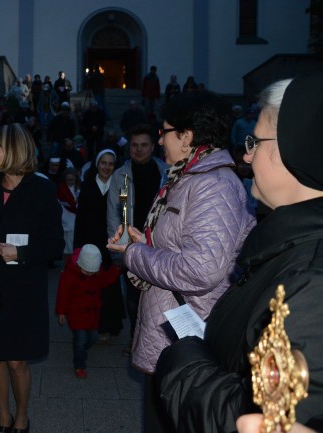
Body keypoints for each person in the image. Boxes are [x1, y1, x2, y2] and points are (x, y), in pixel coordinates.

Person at [155, 73, 323, 433]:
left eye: (254, 141)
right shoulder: (288, 242)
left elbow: (250, 416)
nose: (246, 153)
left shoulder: (312, 281)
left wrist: (185, 357)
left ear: (289, 148)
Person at [107, 90, 256, 433]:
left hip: (189, 341)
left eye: (165, 131)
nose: (159, 140)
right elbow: (182, 248)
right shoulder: (186, 175)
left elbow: (201, 269)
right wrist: (146, 242)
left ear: (187, 137)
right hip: (173, 337)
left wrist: (135, 254)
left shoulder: (212, 185)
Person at [0, 123, 64, 433]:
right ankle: (3, 417)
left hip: (23, 290)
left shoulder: (41, 190)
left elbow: (56, 244)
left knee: (17, 361)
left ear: (14, 151)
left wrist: (22, 253)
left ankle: (22, 417)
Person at [107, 124, 168, 352]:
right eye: (134, 145)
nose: (139, 150)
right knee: (133, 299)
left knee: (157, 297)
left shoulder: (166, 173)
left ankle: (154, 339)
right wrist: (118, 249)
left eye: (144, 145)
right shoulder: (120, 176)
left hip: (159, 246)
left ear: (153, 146)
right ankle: (136, 337)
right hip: (131, 247)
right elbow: (114, 215)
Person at [74, 149, 125, 339]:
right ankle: (90, 324)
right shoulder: (87, 186)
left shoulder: (119, 186)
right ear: (97, 164)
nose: (107, 167)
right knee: (90, 286)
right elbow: (81, 220)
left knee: (110, 286)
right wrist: (78, 248)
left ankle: (109, 325)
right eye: (104, 163)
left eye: (111, 163)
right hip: (90, 243)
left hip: (111, 243)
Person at [55, 245, 120, 379]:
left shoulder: (97, 272)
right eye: (86, 271)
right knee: (80, 339)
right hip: (76, 314)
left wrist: (115, 270)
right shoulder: (70, 274)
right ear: (80, 265)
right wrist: (61, 312)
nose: (90, 274)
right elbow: (63, 293)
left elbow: (105, 280)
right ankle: (79, 365)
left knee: (93, 337)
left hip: (92, 314)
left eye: (92, 272)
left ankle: (81, 350)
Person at [57, 167, 81, 265]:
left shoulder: (80, 187)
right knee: (66, 248)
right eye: (68, 180)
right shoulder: (62, 188)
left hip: (76, 220)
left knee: (74, 247)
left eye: (72, 179)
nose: (70, 182)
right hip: (64, 219)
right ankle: (66, 266)